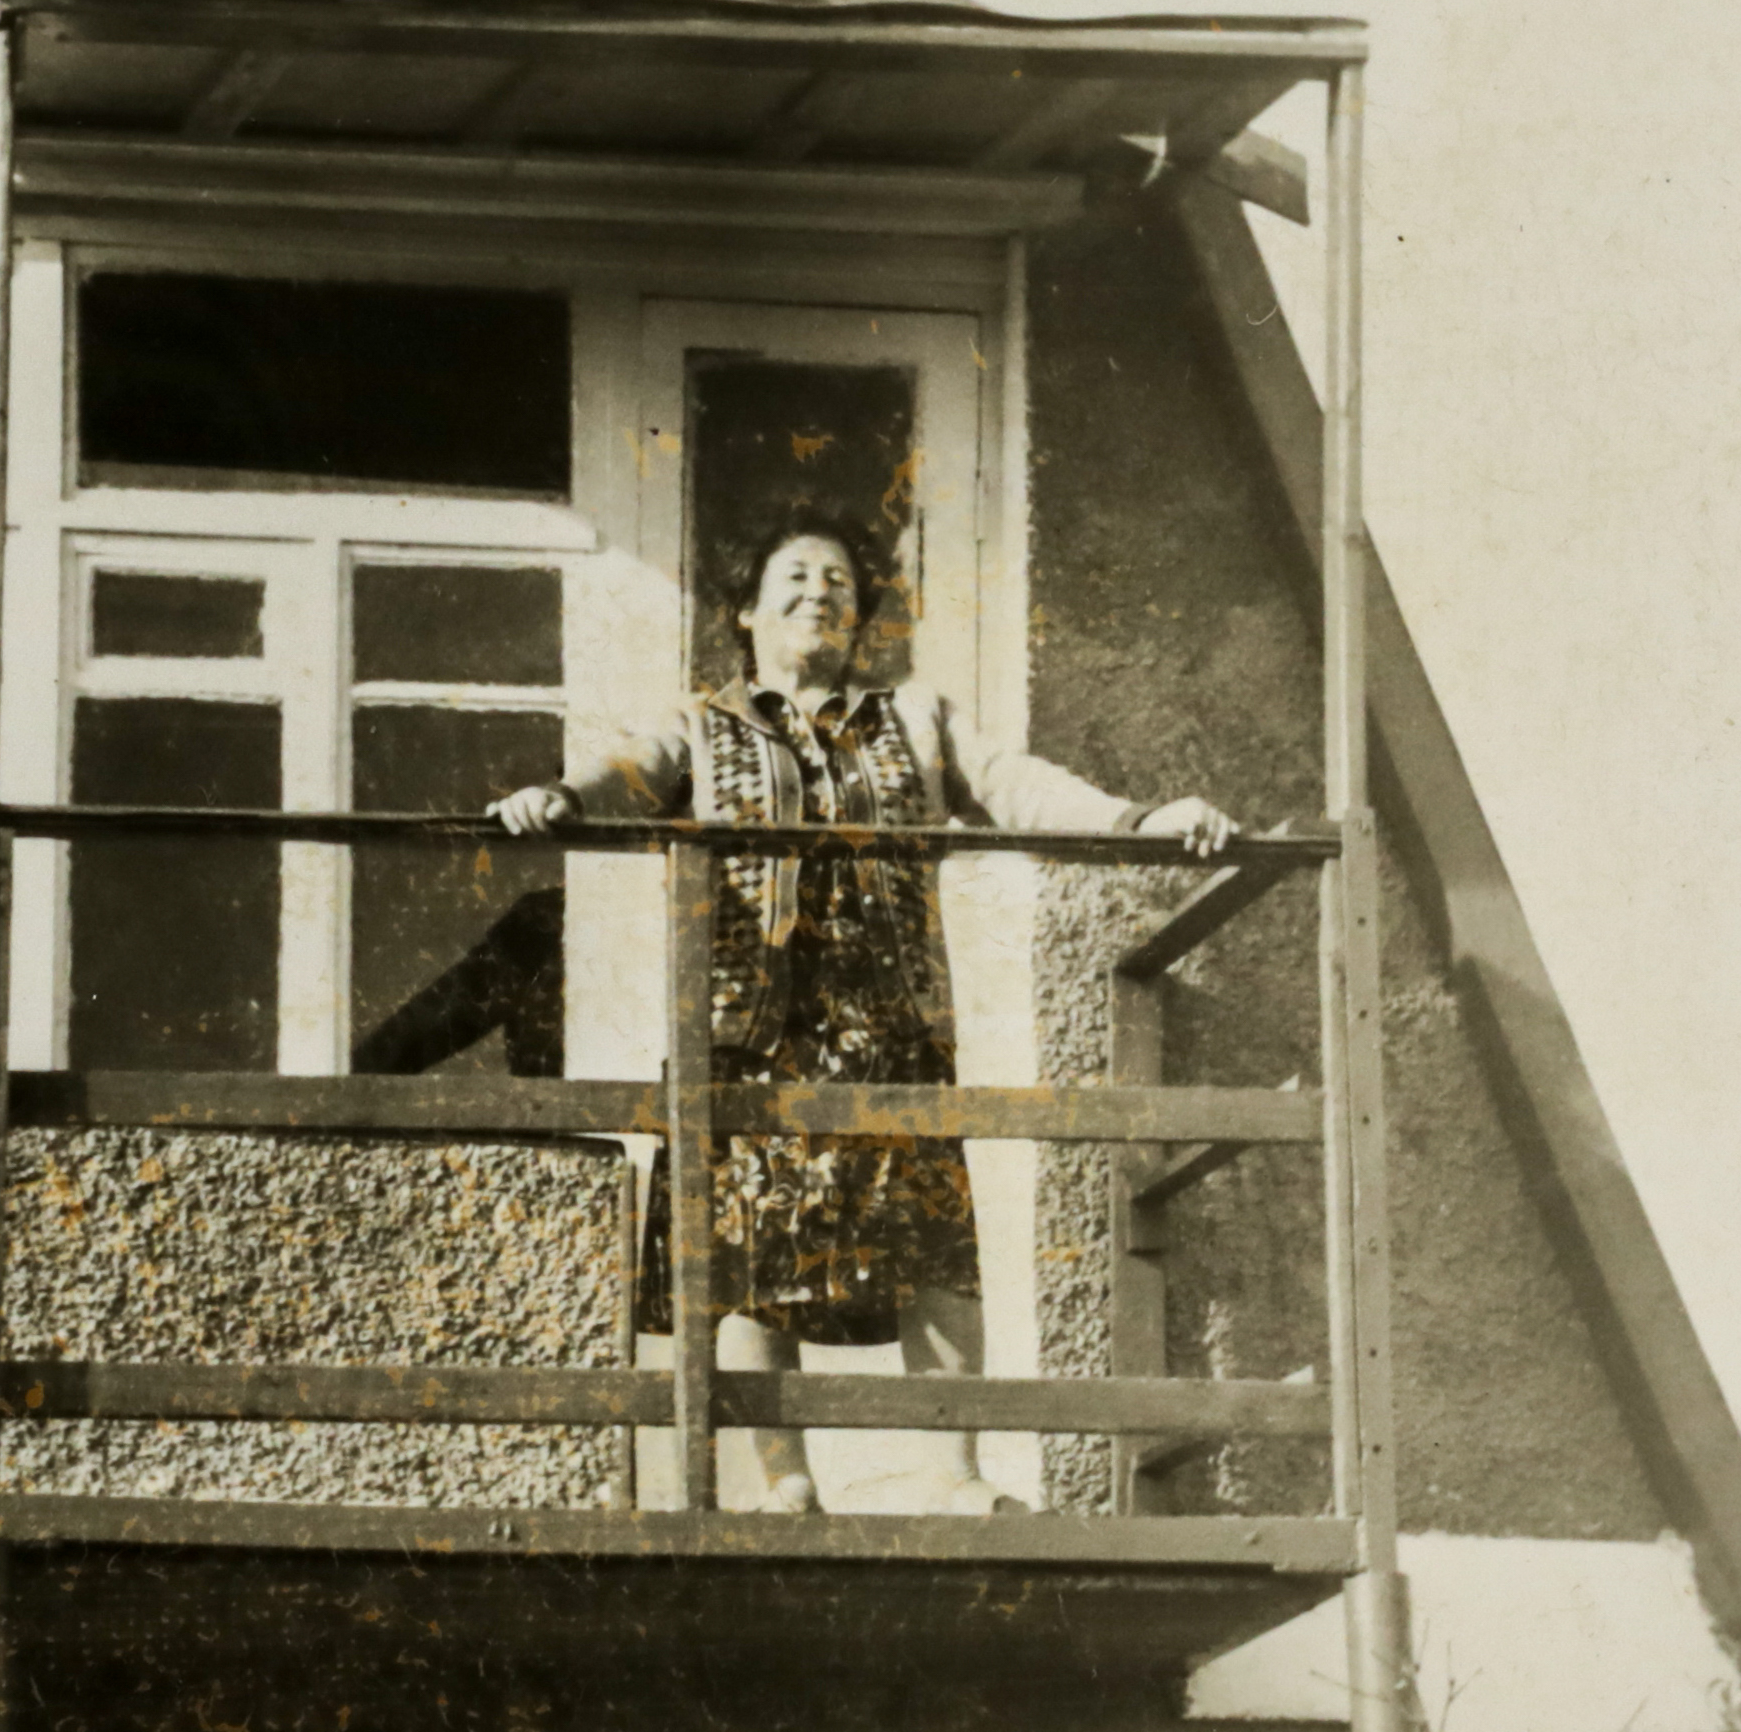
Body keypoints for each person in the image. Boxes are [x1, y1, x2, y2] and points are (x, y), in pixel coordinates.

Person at [488, 510, 1235, 1515]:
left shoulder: (916, 719)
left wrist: (1139, 820)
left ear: (862, 615)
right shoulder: (701, 724)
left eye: (839, 581)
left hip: (892, 1030)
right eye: (795, 576)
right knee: (752, 1260)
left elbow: (1017, 786)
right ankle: (785, 1483)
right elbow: (626, 770)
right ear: (747, 611)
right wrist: (560, 796)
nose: (820, 594)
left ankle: (957, 1478)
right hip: (747, 1034)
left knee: (936, 1253)